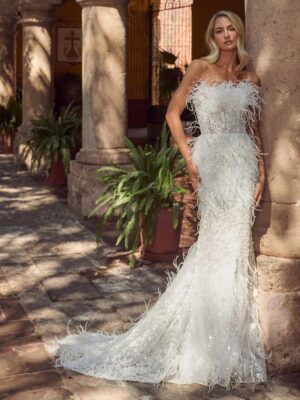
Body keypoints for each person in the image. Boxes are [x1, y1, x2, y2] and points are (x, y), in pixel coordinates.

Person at [53, 10, 268, 390]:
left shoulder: (250, 76)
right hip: (213, 165)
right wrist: (190, 159)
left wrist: (263, 170)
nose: (225, 34)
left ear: (239, 31)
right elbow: (172, 114)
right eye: (218, 30)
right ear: (212, 37)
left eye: (230, 27)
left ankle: (228, 339)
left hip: (244, 165)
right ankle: (202, 340)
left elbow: (253, 126)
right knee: (215, 243)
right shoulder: (200, 68)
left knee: (236, 247)